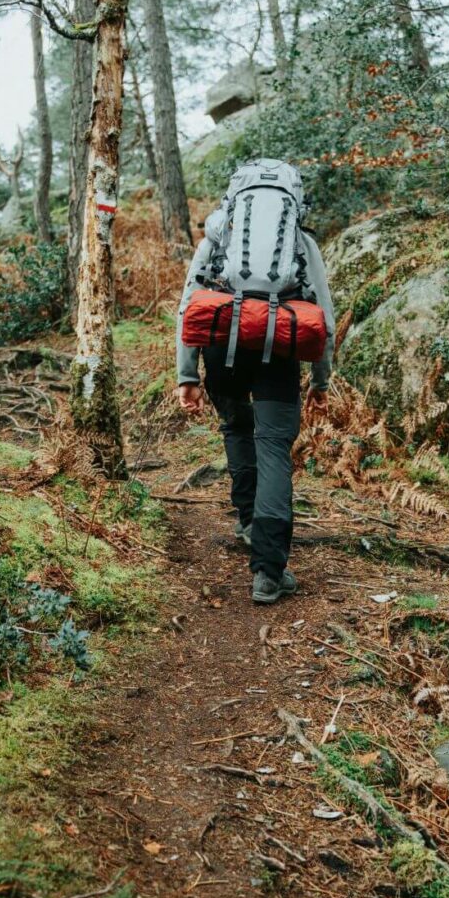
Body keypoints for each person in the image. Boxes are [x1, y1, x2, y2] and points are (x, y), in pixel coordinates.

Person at [175, 171, 335, 605]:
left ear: (235, 198)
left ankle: (248, 521)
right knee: (272, 448)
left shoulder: (216, 235)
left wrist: (187, 376)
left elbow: (189, 304)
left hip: (221, 351)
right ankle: (268, 571)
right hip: (279, 350)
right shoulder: (301, 242)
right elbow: (324, 316)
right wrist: (322, 379)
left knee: (236, 429)